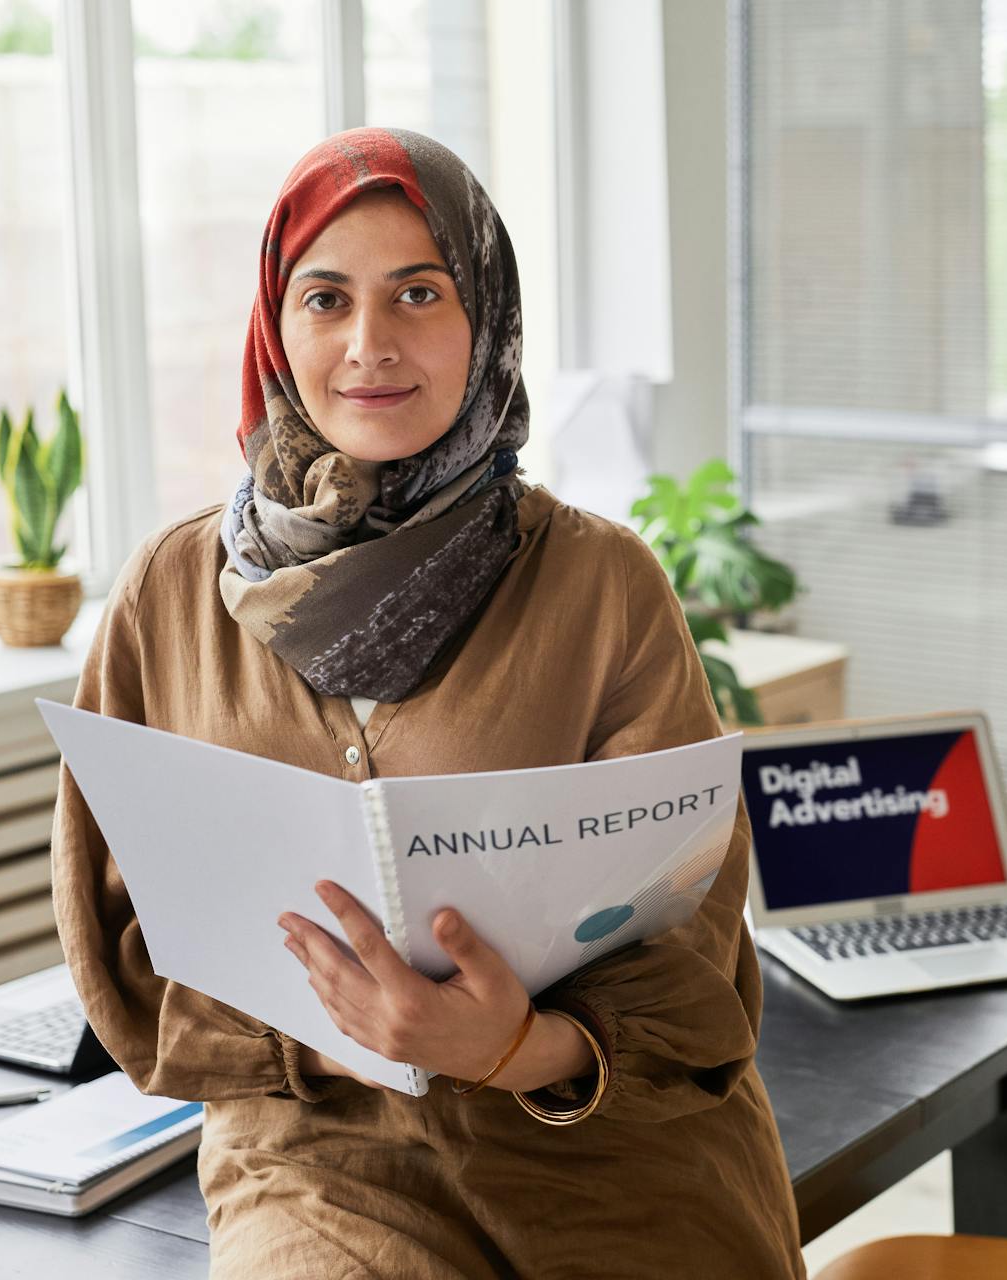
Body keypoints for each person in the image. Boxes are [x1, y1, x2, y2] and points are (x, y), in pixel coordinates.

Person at [49, 125, 807, 1279]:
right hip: (321, 1165)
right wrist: (329, 1038)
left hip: (615, 1158)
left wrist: (511, 1044)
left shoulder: (603, 581)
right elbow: (119, 941)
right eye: (325, 298)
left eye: (418, 292)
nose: (369, 345)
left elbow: (694, 948)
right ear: (276, 322)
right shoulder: (168, 592)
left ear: (486, 317)